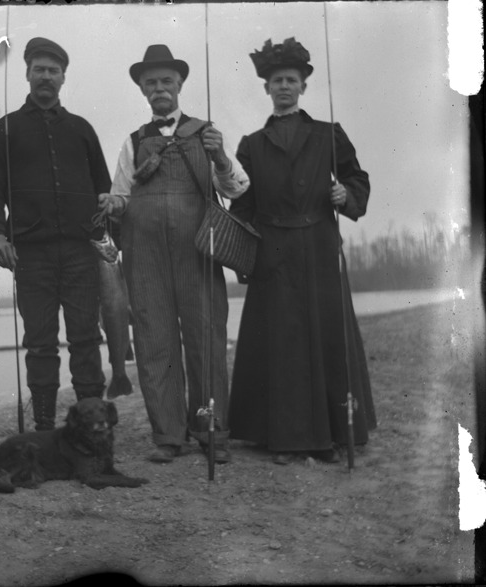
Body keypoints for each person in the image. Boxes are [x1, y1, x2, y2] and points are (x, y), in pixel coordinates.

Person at [227, 38, 377, 465]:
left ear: (303, 87)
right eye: (277, 81)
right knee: (282, 342)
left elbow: (357, 178)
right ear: (266, 88)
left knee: (325, 336)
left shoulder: (328, 134)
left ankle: (334, 433)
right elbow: (243, 205)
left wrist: (345, 194)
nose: (284, 87)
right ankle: (283, 438)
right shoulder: (251, 144)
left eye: (291, 80)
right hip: (272, 252)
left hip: (319, 246)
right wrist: (242, 253)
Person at [97, 45, 249, 464]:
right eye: (151, 83)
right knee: (153, 341)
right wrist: (112, 203)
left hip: (198, 251)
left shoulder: (207, 133)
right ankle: (168, 435)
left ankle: (211, 431)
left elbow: (237, 188)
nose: (159, 88)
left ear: (180, 84)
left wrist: (220, 156)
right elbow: (122, 196)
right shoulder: (132, 142)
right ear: (142, 90)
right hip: (144, 256)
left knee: (206, 339)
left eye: (166, 81)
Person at [0, 37, 111, 431]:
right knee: (39, 343)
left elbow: (103, 189)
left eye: (53, 71)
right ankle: (43, 428)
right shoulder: (5, 130)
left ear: (63, 78)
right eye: (39, 69)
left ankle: (91, 425)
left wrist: (109, 239)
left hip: (81, 253)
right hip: (30, 255)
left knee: (86, 338)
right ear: (27, 74)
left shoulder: (81, 130)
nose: (46, 76)